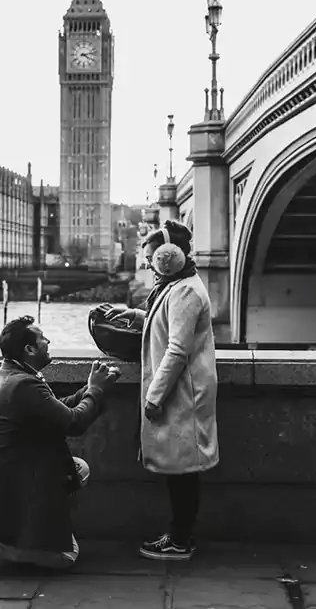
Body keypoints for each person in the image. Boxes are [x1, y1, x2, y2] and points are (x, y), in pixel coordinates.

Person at [0, 315, 120, 576]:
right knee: (67, 557)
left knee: (78, 470)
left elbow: (57, 408)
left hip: (10, 475)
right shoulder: (23, 383)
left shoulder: (11, 374)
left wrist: (90, 388)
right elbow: (74, 423)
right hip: (12, 481)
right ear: (29, 350)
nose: (48, 341)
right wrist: (96, 391)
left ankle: (37, 531)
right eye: (42, 338)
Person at [105, 219, 218, 560]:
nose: (151, 264)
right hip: (180, 391)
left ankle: (179, 540)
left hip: (181, 393)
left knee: (182, 471)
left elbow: (177, 348)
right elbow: (164, 318)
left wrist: (153, 398)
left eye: (154, 257)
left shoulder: (184, 291)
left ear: (171, 256)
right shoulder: (178, 284)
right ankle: (179, 535)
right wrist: (134, 316)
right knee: (179, 468)